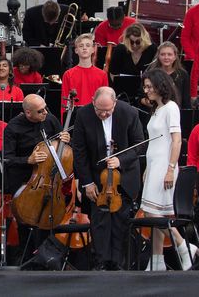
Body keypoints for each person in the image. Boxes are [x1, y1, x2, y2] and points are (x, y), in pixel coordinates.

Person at [71, 86, 145, 270]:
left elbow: (139, 145)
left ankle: (119, 263)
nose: (104, 114)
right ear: (93, 101)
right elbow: (79, 151)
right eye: (99, 110)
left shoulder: (129, 113)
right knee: (100, 221)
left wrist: (120, 160)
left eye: (108, 111)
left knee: (121, 221)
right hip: (97, 178)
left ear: (115, 104)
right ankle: (101, 262)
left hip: (124, 176)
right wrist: (86, 182)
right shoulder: (83, 114)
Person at [139, 69, 196, 270]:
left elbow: (176, 140)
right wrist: (147, 167)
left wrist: (171, 169)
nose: (146, 90)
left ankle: (183, 246)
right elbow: (154, 142)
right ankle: (157, 262)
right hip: (154, 165)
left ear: (159, 85)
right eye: (145, 87)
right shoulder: (157, 109)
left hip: (164, 165)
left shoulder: (171, 107)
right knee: (153, 214)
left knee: (153, 214)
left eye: (149, 86)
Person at [61, 33, 109, 107]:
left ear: (93, 49)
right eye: (81, 46)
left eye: (88, 45)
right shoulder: (68, 74)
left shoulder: (102, 75)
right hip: (75, 116)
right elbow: (64, 102)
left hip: (96, 115)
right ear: (76, 50)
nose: (84, 48)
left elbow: (105, 100)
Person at [147, 42, 190, 110]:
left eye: (169, 54)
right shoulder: (151, 74)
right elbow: (142, 96)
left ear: (175, 56)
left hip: (177, 112)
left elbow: (186, 101)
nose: (166, 57)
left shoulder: (183, 74)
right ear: (158, 56)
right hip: (156, 111)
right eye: (163, 54)